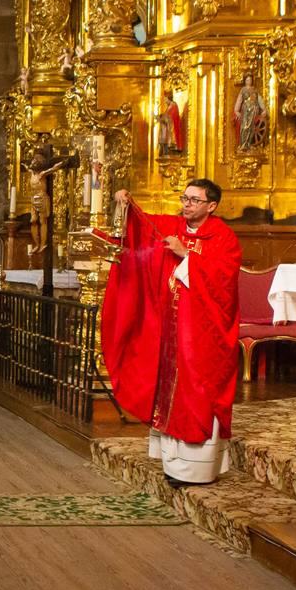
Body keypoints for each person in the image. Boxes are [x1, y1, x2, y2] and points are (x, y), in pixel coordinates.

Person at [102, 180, 241, 486]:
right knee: (169, 389)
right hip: (171, 329)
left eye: (194, 200)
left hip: (203, 337)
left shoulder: (223, 238)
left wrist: (186, 256)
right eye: (184, 198)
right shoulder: (174, 225)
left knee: (196, 394)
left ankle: (195, 470)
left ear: (211, 206)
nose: (186, 204)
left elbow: (225, 282)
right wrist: (123, 200)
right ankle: (171, 464)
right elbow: (141, 222)